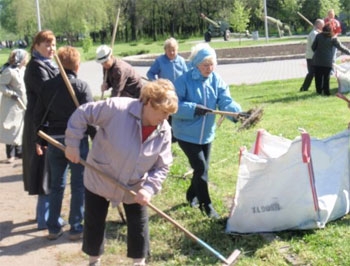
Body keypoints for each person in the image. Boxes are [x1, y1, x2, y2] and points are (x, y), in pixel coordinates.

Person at [64, 79, 178, 266]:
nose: (165, 118)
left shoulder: (164, 131)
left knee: (139, 224)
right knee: (94, 221)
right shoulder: (117, 108)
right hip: (100, 175)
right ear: (149, 103)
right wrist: (72, 144)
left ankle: (138, 262)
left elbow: (162, 166)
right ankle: (94, 261)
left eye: (169, 114)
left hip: (134, 185)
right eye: (163, 112)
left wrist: (149, 188)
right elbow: (82, 113)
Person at [171, 43, 242, 219]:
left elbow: (225, 100)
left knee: (201, 169)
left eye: (212, 65)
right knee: (201, 167)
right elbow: (173, 106)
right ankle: (206, 206)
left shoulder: (216, 80)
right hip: (186, 134)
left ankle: (191, 195)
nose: (209, 69)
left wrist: (236, 113)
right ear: (196, 64)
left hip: (206, 134)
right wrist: (194, 108)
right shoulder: (183, 81)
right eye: (205, 65)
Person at [33, 46, 95, 240]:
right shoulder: (82, 86)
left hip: (55, 141)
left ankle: (53, 227)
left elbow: (38, 117)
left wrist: (39, 140)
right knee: (78, 185)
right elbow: (91, 119)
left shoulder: (47, 86)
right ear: (76, 64)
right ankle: (76, 227)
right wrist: (98, 141)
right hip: (76, 142)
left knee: (56, 185)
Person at [23, 30, 64, 230]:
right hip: (38, 124)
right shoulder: (35, 68)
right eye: (47, 45)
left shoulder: (50, 65)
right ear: (36, 46)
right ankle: (44, 219)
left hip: (48, 121)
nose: (51, 49)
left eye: (53, 45)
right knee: (44, 171)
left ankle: (47, 215)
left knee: (50, 170)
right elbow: (48, 92)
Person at [146, 37, 188, 142]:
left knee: (177, 112)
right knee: (166, 112)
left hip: (178, 92)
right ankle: (165, 132)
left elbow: (187, 75)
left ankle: (177, 134)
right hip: (165, 92)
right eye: (169, 50)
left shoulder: (181, 61)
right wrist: (156, 83)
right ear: (165, 50)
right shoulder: (160, 61)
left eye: (174, 50)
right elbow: (150, 73)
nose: (172, 52)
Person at [0, 49, 28, 163]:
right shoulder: (9, 71)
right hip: (11, 105)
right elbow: (1, 85)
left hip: (22, 103)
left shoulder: (24, 70)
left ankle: (19, 152)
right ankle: (10, 155)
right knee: (10, 128)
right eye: (25, 57)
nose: (27, 59)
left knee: (20, 127)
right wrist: (12, 94)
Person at [312, 24, 350, 96]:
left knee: (318, 77)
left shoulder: (318, 36)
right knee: (326, 77)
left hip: (317, 60)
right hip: (327, 61)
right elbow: (341, 47)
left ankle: (319, 91)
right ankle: (326, 92)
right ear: (331, 30)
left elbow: (313, 47)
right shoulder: (333, 38)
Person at [299, 19, 324, 92]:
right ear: (318, 25)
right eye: (323, 24)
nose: (324, 25)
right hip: (312, 57)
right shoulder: (314, 33)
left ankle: (305, 88)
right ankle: (304, 88)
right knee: (312, 73)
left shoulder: (316, 33)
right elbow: (315, 45)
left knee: (314, 73)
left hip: (313, 57)